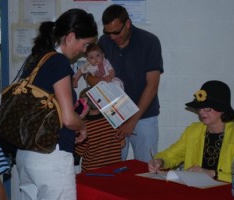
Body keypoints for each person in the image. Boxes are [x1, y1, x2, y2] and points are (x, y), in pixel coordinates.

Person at [15, 9, 98, 200]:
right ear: (70, 37)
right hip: (51, 155)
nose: (84, 51)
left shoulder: (36, 58)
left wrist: (76, 110)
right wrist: (82, 125)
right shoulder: (59, 62)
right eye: (85, 44)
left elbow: (49, 108)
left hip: (25, 154)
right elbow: (68, 119)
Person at [148, 80, 234, 189]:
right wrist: (160, 161)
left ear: (222, 108)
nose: (202, 112)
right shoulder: (193, 131)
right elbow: (171, 154)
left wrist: (213, 174)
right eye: (200, 107)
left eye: (207, 107)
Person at [86, 4, 164, 162]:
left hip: (144, 118)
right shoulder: (104, 42)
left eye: (116, 32)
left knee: (146, 170)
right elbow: (88, 76)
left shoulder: (149, 41)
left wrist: (132, 120)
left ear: (127, 23)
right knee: (112, 169)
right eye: (108, 33)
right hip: (112, 117)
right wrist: (100, 80)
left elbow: (152, 86)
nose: (112, 37)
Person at [75, 87, 124, 172]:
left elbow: (80, 151)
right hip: (115, 169)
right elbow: (122, 144)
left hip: (93, 172)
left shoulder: (84, 127)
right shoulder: (113, 120)